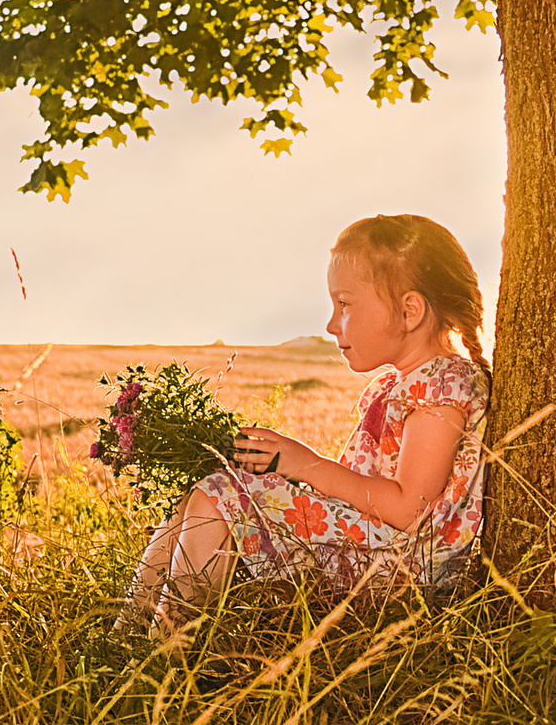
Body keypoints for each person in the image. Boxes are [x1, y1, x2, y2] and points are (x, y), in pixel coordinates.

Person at [115, 213, 491, 632]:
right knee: (205, 493)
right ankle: (127, 631)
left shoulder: (442, 385)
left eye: (344, 304)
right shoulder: (405, 385)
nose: (331, 324)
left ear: (409, 311)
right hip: (375, 547)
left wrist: (305, 465)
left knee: (221, 495)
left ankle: (167, 649)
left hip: (402, 573)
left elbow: (408, 509)